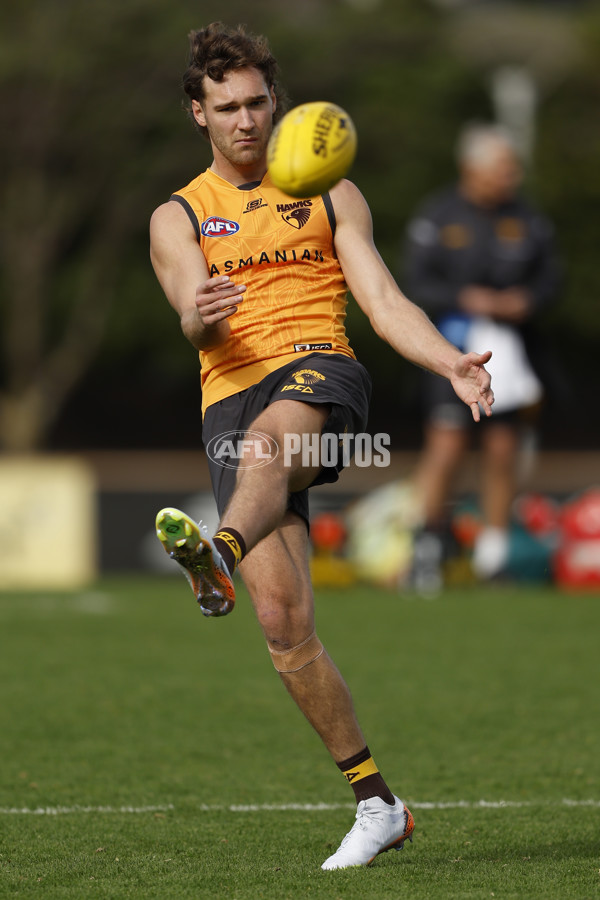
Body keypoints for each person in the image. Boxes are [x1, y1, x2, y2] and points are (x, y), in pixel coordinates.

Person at [150, 22, 494, 870]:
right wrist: (206, 311)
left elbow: (383, 301)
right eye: (226, 107)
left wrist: (451, 359)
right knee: (284, 625)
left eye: (257, 102)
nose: (245, 120)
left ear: (277, 101)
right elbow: (189, 313)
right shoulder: (178, 215)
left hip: (319, 372)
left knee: (268, 456)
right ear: (200, 114)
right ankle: (378, 803)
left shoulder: (334, 192)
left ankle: (219, 550)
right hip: (229, 396)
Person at [403, 123, 561, 591]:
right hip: (451, 349)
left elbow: (552, 278)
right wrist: (464, 296)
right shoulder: (438, 215)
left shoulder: (528, 218)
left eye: (513, 169)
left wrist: (526, 300)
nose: (511, 176)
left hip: (510, 353)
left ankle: (494, 556)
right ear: (472, 168)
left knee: (502, 448)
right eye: (502, 168)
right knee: (447, 444)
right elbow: (414, 282)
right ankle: (427, 549)